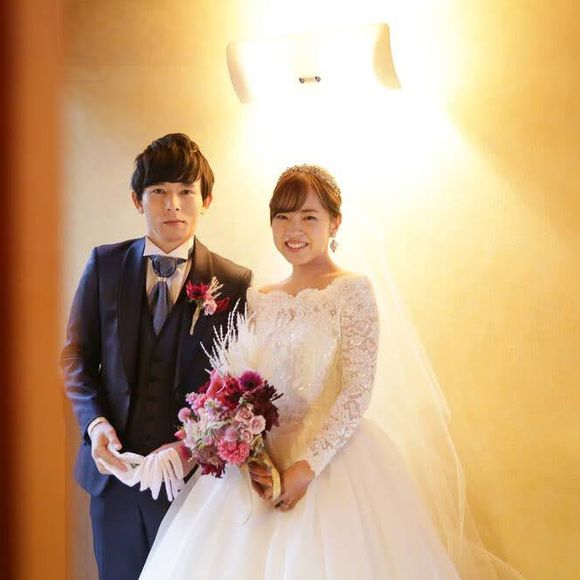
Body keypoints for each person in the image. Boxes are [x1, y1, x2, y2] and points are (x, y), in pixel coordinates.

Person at [138, 164, 525, 579]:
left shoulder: (352, 291)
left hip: (333, 462)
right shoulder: (260, 297)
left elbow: (357, 391)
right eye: (283, 216)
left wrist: (306, 469)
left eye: (309, 217)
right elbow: (245, 382)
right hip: (261, 462)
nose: (294, 229)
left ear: (334, 223)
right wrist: (250, 455)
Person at [61, 133, 253, 580]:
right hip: (115, 478)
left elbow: (237, 384)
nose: (173, 206)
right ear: (137, 199)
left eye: (186, 191)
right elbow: (76, 359)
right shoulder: (104, 265)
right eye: (159, 192)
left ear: (206, 200)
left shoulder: (234, 282)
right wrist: (95, 424)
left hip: (192, 484)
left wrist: (192, 448)